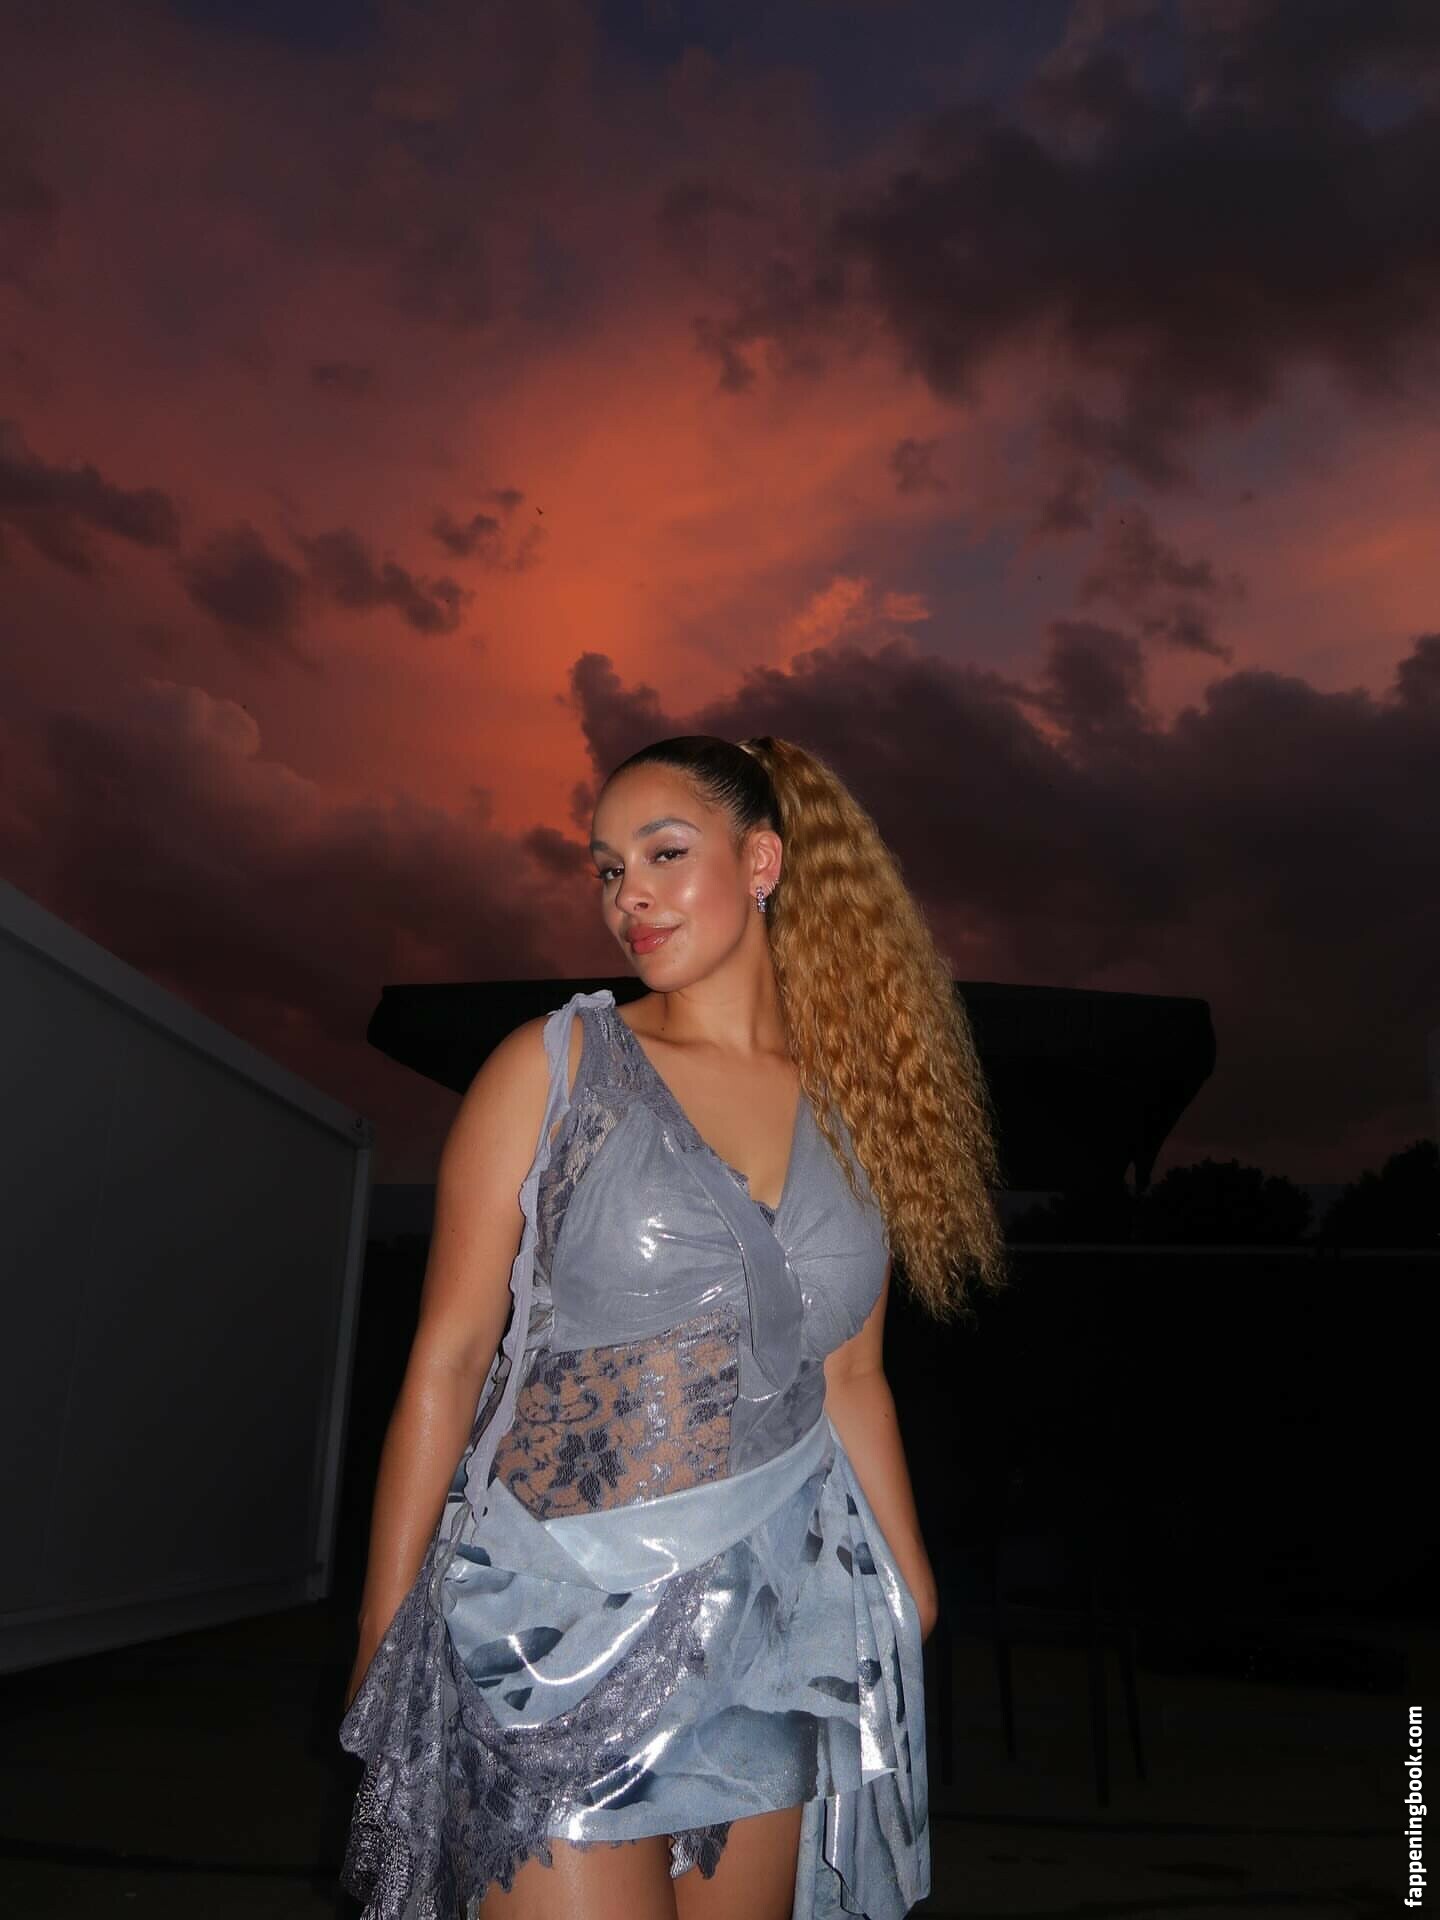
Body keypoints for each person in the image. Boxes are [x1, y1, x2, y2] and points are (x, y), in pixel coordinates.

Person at [339, 734, 1005, 1920]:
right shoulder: (556, 1065)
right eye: (608, 869)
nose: (627, 896)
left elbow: (853, 1376)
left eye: (663, 854)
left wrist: (913, 1589)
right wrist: (382, 1632)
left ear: (763, 862)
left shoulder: (858, 1105)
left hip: (772, 1631)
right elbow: (448, 1356)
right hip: (549, 1623)